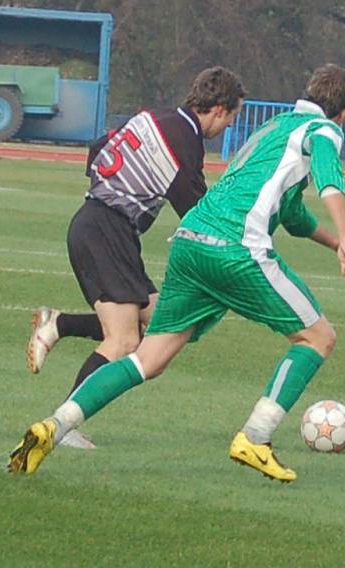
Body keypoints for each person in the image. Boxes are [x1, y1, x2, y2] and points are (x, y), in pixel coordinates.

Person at [8, 63, 345, 481]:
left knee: (148, 358)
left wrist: (332, 242)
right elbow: (330, 175)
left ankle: (52, 427)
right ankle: (256, 437)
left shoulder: (275, 129)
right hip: (235, 247)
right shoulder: (324, 130)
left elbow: (290, 213)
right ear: (344, 111)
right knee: (318, 337)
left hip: (189, 242)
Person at [25, 66, 246, 448]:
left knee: (164, 324)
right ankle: (63, 424)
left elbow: (99, 148)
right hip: (106, 231)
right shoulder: (186, 142)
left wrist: (114, 186)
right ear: (219, 108)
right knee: (125, 341)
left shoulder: (154, 117)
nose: (225, 129)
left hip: (105, 227)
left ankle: (59, 324)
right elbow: (198, 213)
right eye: (229, 120)